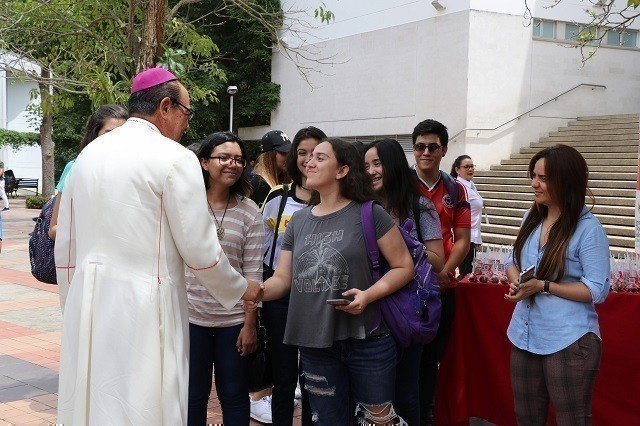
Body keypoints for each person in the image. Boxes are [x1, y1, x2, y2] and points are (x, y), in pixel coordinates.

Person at [54, 67, 263, 425]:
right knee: (144, 403)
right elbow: (200, 252)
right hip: (146, 302)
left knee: (94, 400)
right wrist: (242, 289)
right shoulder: (174, 157)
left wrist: (72, 303)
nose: (186, 123)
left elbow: (67, 246)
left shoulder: (88, 155)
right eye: (186, 112)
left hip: (88, 299)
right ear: (165, 107)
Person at [262, 138, 415, 425]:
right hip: (315, 343)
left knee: (378, 420)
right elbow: (283, 279)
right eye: (309, 158)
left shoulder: (370, 213)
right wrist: (256, 291)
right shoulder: (299, 221)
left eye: (320, 158)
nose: (309, 162)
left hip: (368, 339)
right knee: (327, 420)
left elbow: (404, 267)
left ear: (342, 170)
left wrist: (368, 295)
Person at [504, 144, 610, 424]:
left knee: (572, 420)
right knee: (526, 417)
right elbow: (509, 261)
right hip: (524, 335)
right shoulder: (533, 217)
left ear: (566, 181)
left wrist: (543, 286)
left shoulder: (588, 229)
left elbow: (596, 290)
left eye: (543, 178)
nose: (533, 184)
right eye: (533, 175)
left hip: (569, 340)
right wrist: (519, 284)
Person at [364, 138, 444, 424]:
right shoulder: (362, 207)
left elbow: (438, 259)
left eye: (377, 164)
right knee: (373, 394)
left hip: (406, 309)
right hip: (372, 308)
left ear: (394, 165)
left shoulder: (419, 205)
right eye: (366, 166)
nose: (371, 171)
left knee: (405, 390)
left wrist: (402, 244)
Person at [187, 132, 264, 425]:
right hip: (190, 318)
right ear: (204, 162)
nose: (232, 164)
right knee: (193, 396)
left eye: (238, 159)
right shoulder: (186, 206)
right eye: (224, 157)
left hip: (233, 323)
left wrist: (250, 324)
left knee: (233, 396)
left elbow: (253, 275)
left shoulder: (249, 212)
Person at [259, 126, 326, 426]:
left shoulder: (333, 200)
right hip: (280, 296)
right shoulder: (278, 198)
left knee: (314, 376)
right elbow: (262, 248)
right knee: (284, 376)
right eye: (301, 152)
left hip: (318, 298)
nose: (308, 159)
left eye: (315, 153)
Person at [411, 119, 471, 424]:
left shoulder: (455, 188)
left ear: (444, 150)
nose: (426, 152)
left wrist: (445, 273)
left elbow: (462, 238)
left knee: (435, 356)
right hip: (406, 288)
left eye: (432, 147)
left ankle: (429, 412)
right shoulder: (402, 185)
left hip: (443, 285)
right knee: (409, 358)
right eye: (420, 146)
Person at [48, 104, 129, 239]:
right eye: (109, 133)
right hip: (83, 256)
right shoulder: (75, 168)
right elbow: (53, 229)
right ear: (94, 134)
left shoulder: (134, 171)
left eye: (121, 135)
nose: (116, 140)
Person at [451, 155, 483, 278]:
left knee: (469, 272)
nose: (470, 169)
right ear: (457, 169)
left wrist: (478, 239)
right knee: (466, 273)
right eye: (466, 167)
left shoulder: (470, 185)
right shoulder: (458, 187)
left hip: (472, 237)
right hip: (463, 238)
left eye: (472, 166)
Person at [250, 130, 291, 207]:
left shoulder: (285, 177)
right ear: (269, 156)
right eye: (283, 153)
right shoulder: (259, 184)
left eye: (290, 153)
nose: (288, 157)